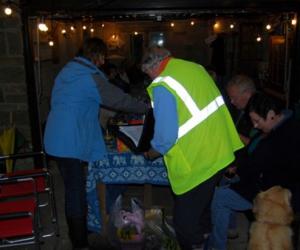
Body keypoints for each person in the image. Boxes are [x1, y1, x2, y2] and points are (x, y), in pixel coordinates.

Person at [43, 37, 148, 250]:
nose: (102, 63)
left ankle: (83, 229)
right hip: (68, 141)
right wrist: (147, 108)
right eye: (102, 58)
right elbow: (118, 99)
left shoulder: (68, 70)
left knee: (73, 188)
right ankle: (80, 243)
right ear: (98, 56)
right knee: (75, 192)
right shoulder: (90, 76)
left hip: (56, 136)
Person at [140, 46, 243, 250]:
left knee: (185, 225)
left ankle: (197, 244)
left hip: (198, 161)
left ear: (154, 65)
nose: (149, 78)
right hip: (219, 151)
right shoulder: (194, 68)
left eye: (147, 73)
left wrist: (151, 152)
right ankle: (206, 243)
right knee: (202, 213)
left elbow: (165, 138)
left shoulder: (163, 84)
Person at [209, 92, 300, 250]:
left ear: (271, 115)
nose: (255, 126)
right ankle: (228, 229)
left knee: (220, 196)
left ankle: (216, 246)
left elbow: (258, 169)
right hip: (268, 187)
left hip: (278, 200)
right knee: (225, 182)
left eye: (257, 121)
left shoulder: (282, 138)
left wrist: (238, 173)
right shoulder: (285, 123)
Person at [226, 74, 257, 145]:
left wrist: (232, 132)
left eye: (234, 98)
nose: (232, 101)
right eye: (230, 98)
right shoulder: (237, 108)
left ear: (247, 94)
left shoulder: (259, 113)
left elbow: (257, 146)